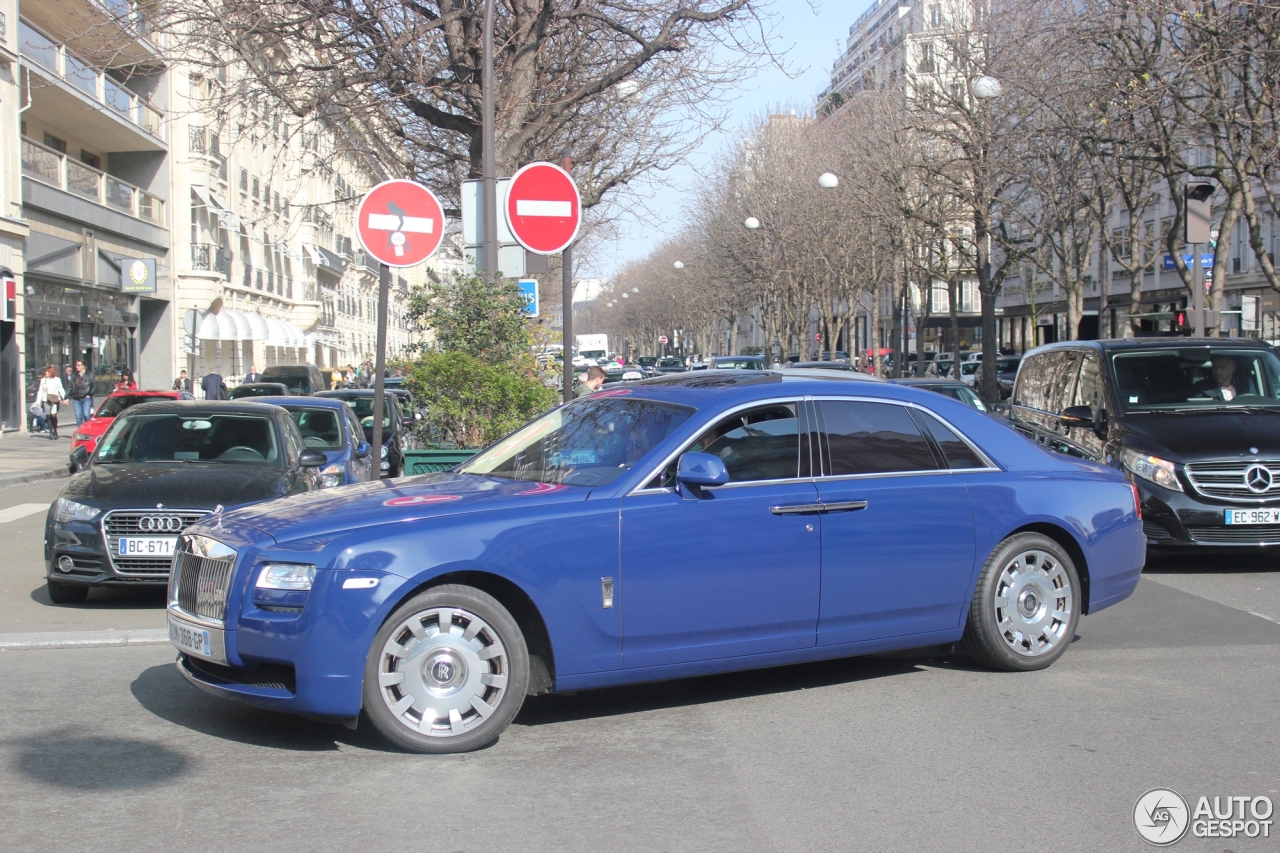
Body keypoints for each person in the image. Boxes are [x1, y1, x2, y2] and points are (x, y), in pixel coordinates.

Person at [36, 365, 66, 440]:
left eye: (48, 371)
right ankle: (51, 432)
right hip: (46, 400)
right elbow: (40, 390)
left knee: (53, 415)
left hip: (55, 400)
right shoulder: (43, 380)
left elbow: (61, 389)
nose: (46, 373)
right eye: (46, 371)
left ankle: (55, 430)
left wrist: (64, 398)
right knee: (48, 416)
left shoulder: (57, 379)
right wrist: (38, 401)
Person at [67, 360, 94, 426]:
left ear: (83, 366)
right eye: (76, 365)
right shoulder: (74, 375)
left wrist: (89, 394)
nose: (76, 367)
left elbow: (94, 385)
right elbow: (70, 386)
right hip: (76, 398)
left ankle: (88, 430)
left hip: (86, 397)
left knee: (86, 415)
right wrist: (66, 397)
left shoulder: (89, 374)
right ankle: (81, 432)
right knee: (79, 416)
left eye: (78, 365)